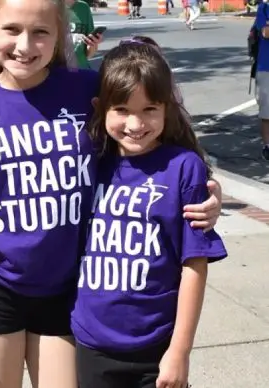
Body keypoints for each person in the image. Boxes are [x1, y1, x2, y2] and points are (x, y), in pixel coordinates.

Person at [0, 0, 223, 387]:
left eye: (41, 32)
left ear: (60, 35)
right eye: (11, 30)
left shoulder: (85, 90)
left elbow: (142, 127)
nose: (25, 44)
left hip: (66, 286)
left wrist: (206, 196)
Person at [73, 38, 228, 388]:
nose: (135, 124)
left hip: (156, 346)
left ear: (166, 109)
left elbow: (194, 265)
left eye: (149, 110)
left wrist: (179, 351)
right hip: (92, 342)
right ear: (101, 108)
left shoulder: (183, 168)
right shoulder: (90, 162)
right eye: (122, 110)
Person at [253, 0, 269, 160]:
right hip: (266, 67)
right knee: (267, 111)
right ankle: (267, 146)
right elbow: (265, 32)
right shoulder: (264, 8)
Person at [66, 0, 102, 69]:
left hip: (81, 69)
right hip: (56, 72)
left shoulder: (84, 7)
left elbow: (88, 55)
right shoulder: (50, 7)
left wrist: (93, 44)